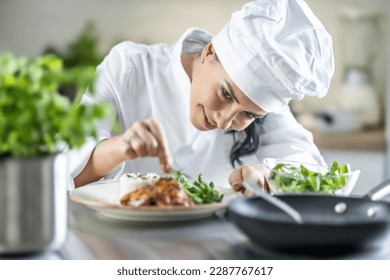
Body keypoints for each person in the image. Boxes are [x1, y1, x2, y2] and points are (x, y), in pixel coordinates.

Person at [69, 0, 334, 195]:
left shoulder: (264, 106)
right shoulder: (129, 68)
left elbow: (316, 171)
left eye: (249, 115)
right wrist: (120, 147)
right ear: (209, 52)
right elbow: (63, 172)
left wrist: (269, 176)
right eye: (225, 93)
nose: (223, 122)